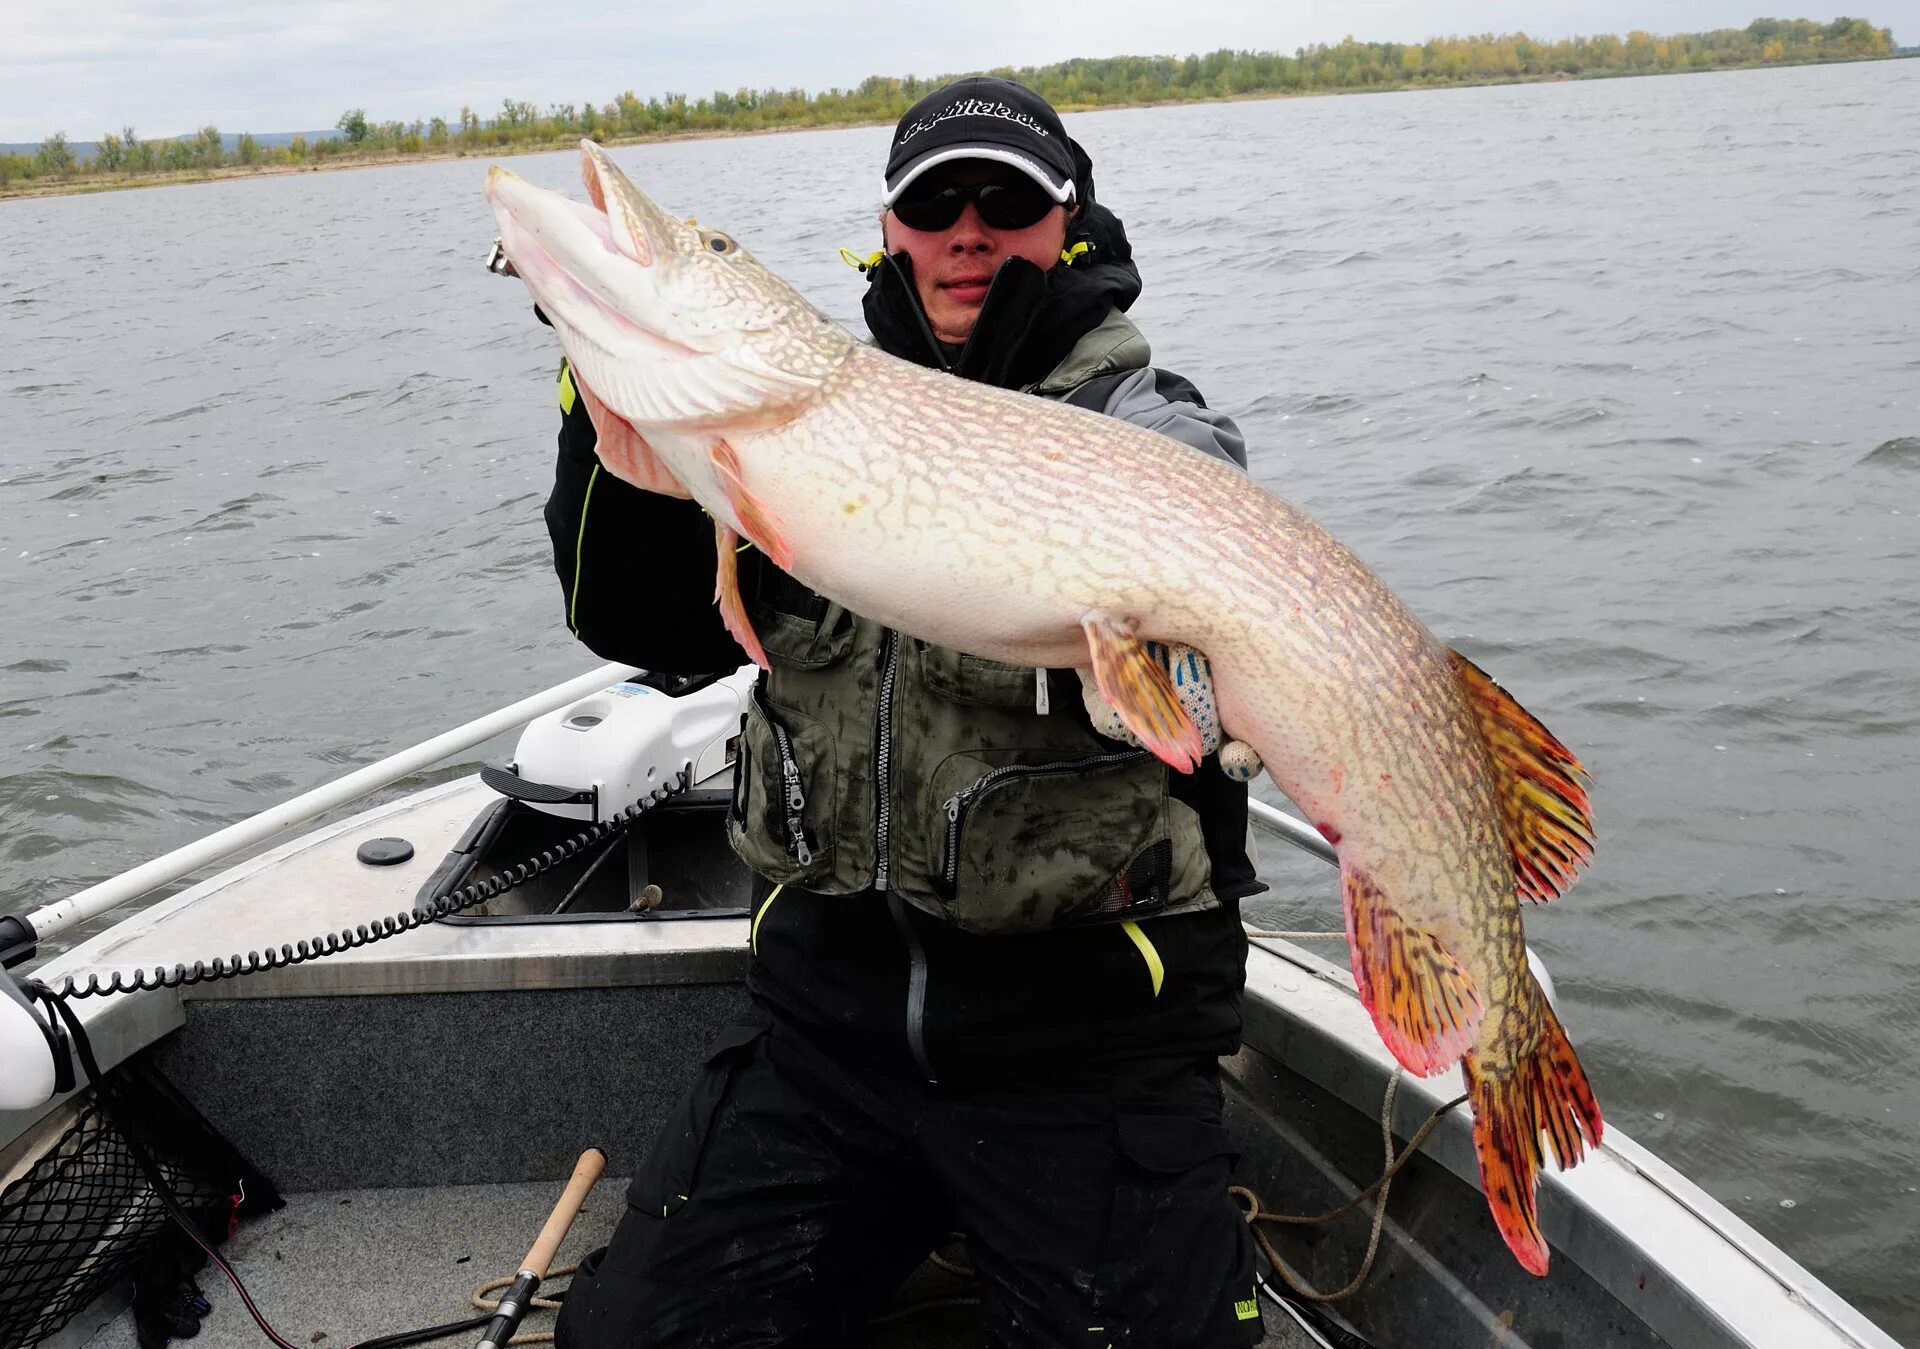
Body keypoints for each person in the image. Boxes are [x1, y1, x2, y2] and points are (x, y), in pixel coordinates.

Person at [545, 77, 1269, 1349]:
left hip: (1085, 1053)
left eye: (1010, 200)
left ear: (1070, 224)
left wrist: (1162, 646)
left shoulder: (1142, 423)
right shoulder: (796, 422)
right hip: (832, 1048)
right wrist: (605, 401)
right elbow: (642, 629)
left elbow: (1203, 525)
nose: (970, 229)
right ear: (891, 228)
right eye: (935, 200)